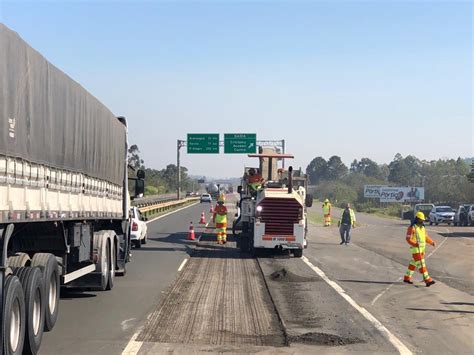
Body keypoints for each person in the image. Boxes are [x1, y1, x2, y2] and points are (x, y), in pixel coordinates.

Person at [403, 211, 436, 287]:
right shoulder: (412, 227)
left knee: (413, 264)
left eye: (423, 220)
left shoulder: (423, 227)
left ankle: (407, 278)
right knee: (421, 265)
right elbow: (408, 239)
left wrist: (431, 242)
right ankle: (427, 280)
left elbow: (425, 237)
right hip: (415, 250)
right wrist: (415, 244)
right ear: (417, 219)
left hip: (422, 250)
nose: (422, 221)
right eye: (420, 219)